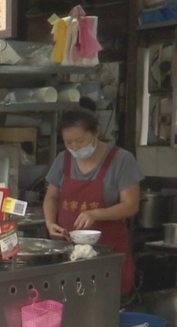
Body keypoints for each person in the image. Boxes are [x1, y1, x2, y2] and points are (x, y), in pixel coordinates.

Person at [44, 98, 144, 296]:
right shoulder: (63, 159)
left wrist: (96, 214)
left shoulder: (122, 160)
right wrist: (49, 222)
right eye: (68, 142)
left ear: (96, 132)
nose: (74, 147)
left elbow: (131, 205)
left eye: (80, 141)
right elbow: (52, 197)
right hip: (69, 254)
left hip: (108, 254)